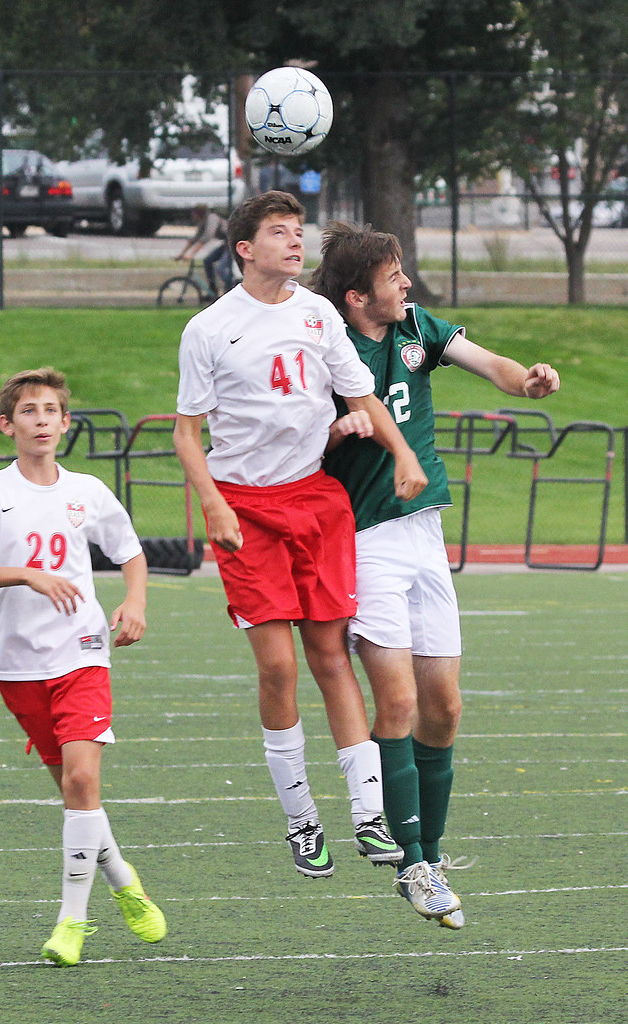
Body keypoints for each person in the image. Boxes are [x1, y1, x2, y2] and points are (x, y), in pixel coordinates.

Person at [173, 191, 428, 879]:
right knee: (278, 666)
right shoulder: (209, 328)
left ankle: (367, 816)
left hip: (315, 501)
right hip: (245, 509)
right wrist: (213, 506)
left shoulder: (319, 316)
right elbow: (187, 434)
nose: (295, 243)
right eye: (279, 233)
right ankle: (300, 820)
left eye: (299, 232)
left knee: (328, 654)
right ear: (245, 249)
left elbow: (362, 399)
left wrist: (403, 453)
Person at [312, 223, 560, 926]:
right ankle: (413, 862)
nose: (407, 285)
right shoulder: (324, 351)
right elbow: (294, 443)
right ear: (358, 296)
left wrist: (531, 381)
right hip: (365, 543)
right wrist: (336, 433)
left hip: (425, 535)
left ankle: (432, 853)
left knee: (444, 707)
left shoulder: (418, 326)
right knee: (394, 704)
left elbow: (492, 364)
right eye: (393, 277)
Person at [0, 367, 166, 967]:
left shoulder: (88, 490)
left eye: (51, 411)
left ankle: (71, 922)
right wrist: (25, 573)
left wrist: (135, 600)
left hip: (82, 651)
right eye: (28, 411)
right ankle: (123, 878)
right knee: (75, 794)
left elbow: (132, 552)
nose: (40, 421)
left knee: (82, 782)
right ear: (7, 424)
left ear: (66, 423)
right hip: (17, 665)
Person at [176, 204, 232, 297]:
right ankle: (212, 290)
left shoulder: (211, 218)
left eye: (193, 214)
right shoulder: (203, 222)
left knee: (221, 268)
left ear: (198, 213)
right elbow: (195, 238)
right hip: (226, 243)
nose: (193, 217)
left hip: (232, 243)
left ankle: (231, 288)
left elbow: (207, 236)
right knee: (207, 261)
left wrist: (191, 254)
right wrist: (182, 254)